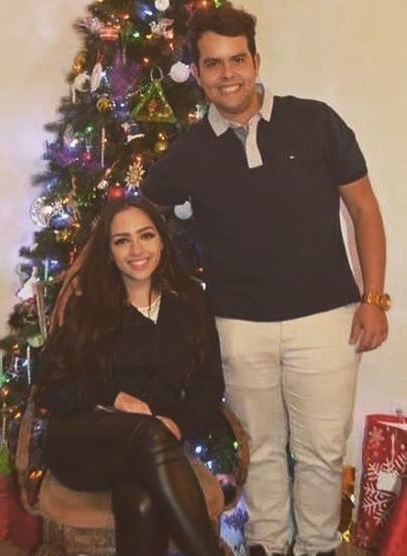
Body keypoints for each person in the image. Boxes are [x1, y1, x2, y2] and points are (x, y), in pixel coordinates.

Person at [142, 4, 390, 556]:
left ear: (256, 60)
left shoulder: (315, 120)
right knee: (261, 449)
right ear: (198, 72)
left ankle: (319, 547)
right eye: (213, 64)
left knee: (323, 450)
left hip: (327, 319)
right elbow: (141, 230)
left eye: (237, 59)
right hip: (236, 325)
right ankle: (268, 545)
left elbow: (365, 211)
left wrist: (374, 298)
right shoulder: (185, 154)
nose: (227, 73)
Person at [34, 197, 226, 556]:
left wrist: (179, 423)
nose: (136, 249)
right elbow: (50, 387)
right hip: (83, 444)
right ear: (109, 251)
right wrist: (112, 396)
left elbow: (209, 383)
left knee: (141, 500)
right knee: (148, 432)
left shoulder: (189, 306)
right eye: (122, 240)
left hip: (151, 445)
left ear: (162, 242)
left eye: (146, 235)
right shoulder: (88, 307)